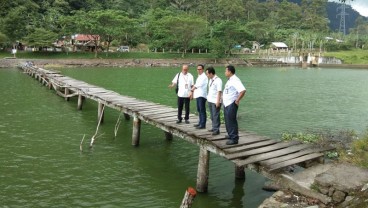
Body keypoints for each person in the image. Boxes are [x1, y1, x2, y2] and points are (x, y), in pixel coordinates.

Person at [222, 65, 246, 145]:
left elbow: (242, 90)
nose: (225, 72)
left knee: (232, 120)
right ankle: (230, 134)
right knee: (227, 120)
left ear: (229, 71)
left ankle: (234, 138)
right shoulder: (229, 80)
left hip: (231, 103)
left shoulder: (235, 80)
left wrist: (237, 100)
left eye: (226, 71)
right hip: (226, 103)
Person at [206, 66, 222, 135]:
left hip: (215, 101)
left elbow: (219, 91)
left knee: (216, 115)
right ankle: (213, 127)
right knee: (212, 115)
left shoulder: (218, 80)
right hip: (210, 100)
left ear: (211, 73)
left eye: (207, 74)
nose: (207, 75)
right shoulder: (210, 80)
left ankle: (216, 129)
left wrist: (218, 101)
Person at [191, 64, 208, 129]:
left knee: (202, 109)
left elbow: (198, 84)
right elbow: (196, 84)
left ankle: (203, 124)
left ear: (202, 69)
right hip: (198, 95)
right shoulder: (199, 76)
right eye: (197, 69)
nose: (198, 70)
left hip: (202, 95)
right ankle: (200, 122)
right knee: (199, 109)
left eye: (200, 69)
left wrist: (191, 90)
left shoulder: (204, 76)